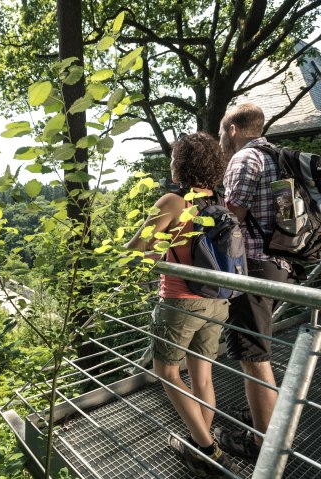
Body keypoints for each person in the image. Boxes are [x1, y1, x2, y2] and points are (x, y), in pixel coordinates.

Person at [125, 132, 239, 477]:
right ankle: (199, 445)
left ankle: (208, 451)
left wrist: (156, 250)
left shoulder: (173, 201)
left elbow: (134, 251)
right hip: (217, 301)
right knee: (202, 376)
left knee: (167, 372)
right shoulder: (217, 200)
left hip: (180, 301)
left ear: (180, 164)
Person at [214, 103, 291, 461]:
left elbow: (231, 218)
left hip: (255, 268)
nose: (220, 142)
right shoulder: (277, 155)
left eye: (220, 134)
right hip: (281, 263)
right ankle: (265, 415)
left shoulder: (245, 159)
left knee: (253, 356)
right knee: (257, 348)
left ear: (232, 129)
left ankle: (262, 444)